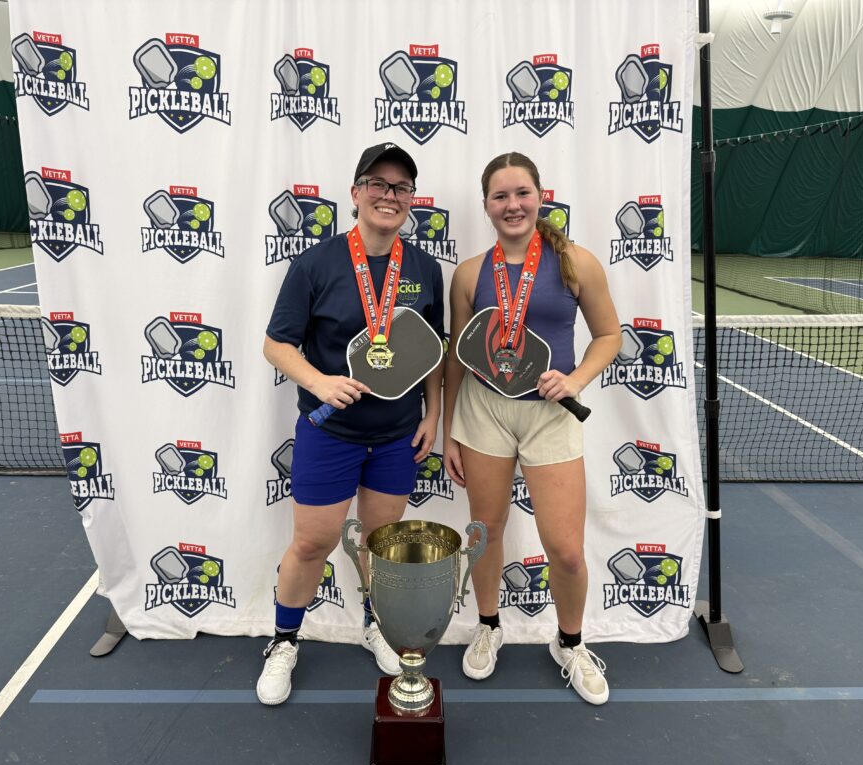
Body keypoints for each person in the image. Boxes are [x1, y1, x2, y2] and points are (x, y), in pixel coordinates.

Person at [259, 143, 444, 706]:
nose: (389, 196)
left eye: (401, 188)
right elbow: (276, 344)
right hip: (329, 434)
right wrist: (319, 382)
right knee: (313, 543)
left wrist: (433, 414)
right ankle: (284, 640)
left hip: (394, 436)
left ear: (411, 200)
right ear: (356, 193)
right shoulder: (316, 263)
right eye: (378, 184)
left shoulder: (424, 268)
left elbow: (432, 352)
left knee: (380, 546)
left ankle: (374, 623)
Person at [442, 151, 621, 705]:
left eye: (521, 193)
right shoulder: (470, 272)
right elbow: (456, 354)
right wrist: (449, 428)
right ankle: (489, 625)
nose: (512, 204)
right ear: (487, 206)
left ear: (540, 196)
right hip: (484, 412)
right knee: (486, 532)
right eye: (500, 196)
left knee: (565, 550)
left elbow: (608, 336)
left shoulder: (575, 262)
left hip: (550, 416)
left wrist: (575, 380)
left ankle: (570, 642)